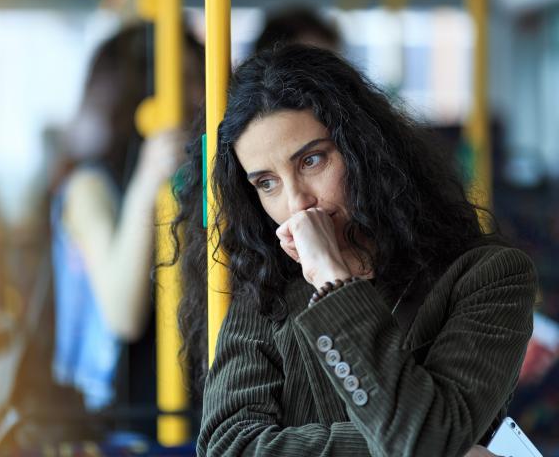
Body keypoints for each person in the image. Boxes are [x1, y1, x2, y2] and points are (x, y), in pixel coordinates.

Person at [172, 45, 537, 455]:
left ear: (364, 149)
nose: (296, 203)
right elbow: (229, 447)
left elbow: (425, 439)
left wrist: (333, 279)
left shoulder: (489, 276)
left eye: (311, 160)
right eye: (266, 183)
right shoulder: (265, 282)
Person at [51, 23, 204, 414]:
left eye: (198, 77)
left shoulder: (194, 177)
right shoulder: (89, 186)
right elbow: (122, 316)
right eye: (182, 79)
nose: (197, 95)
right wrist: (148, 180)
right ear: (136, 99)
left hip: (187, 399)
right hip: (117, 412)